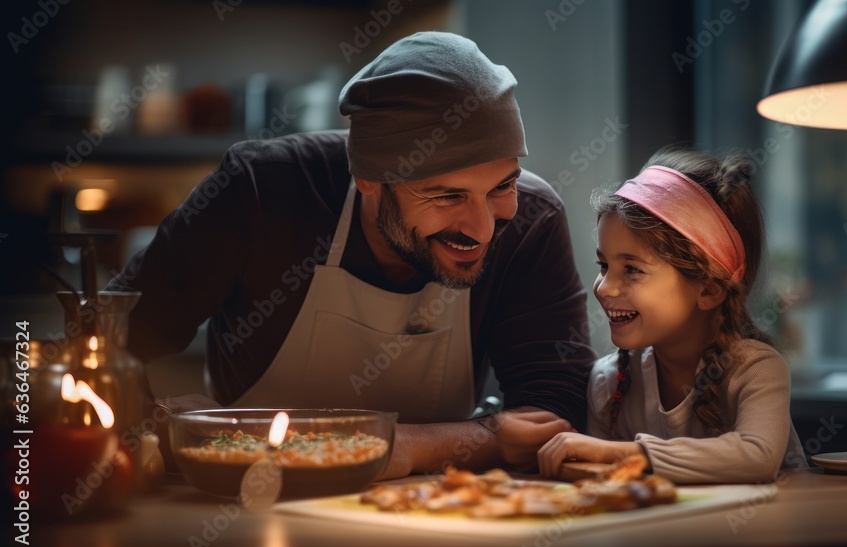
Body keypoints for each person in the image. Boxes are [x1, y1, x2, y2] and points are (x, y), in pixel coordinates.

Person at [109, 32, 594, 478]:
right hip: (250, 500)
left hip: (436, 510)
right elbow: (106, 342)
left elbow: (555, 410)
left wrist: (406, 447)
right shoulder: (260, 190)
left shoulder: (533, 220)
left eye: (501, 186)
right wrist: (158, 419)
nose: (483, 228)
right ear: (367, 180)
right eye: (446, 196)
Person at [537, 148, 805, 484]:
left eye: (632, 269)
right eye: (604, 266)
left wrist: (624, 453)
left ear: (707, 289)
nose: (604, 289)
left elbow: (757, 455)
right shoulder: (608, 383)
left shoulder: (756, 369)